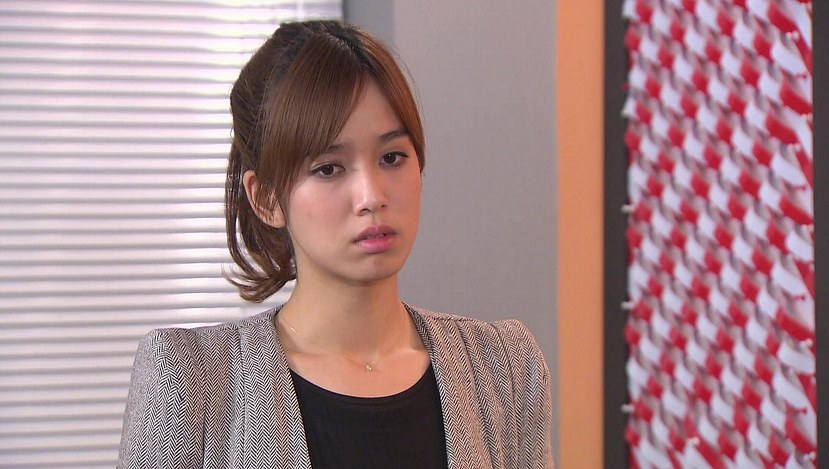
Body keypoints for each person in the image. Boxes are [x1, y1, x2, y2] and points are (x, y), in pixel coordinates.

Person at [118, 20, 553, 468]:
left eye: (392, 157)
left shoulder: (503, 368)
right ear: (266, 199)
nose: (371, 196)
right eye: (328, 168)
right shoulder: (190, 382)